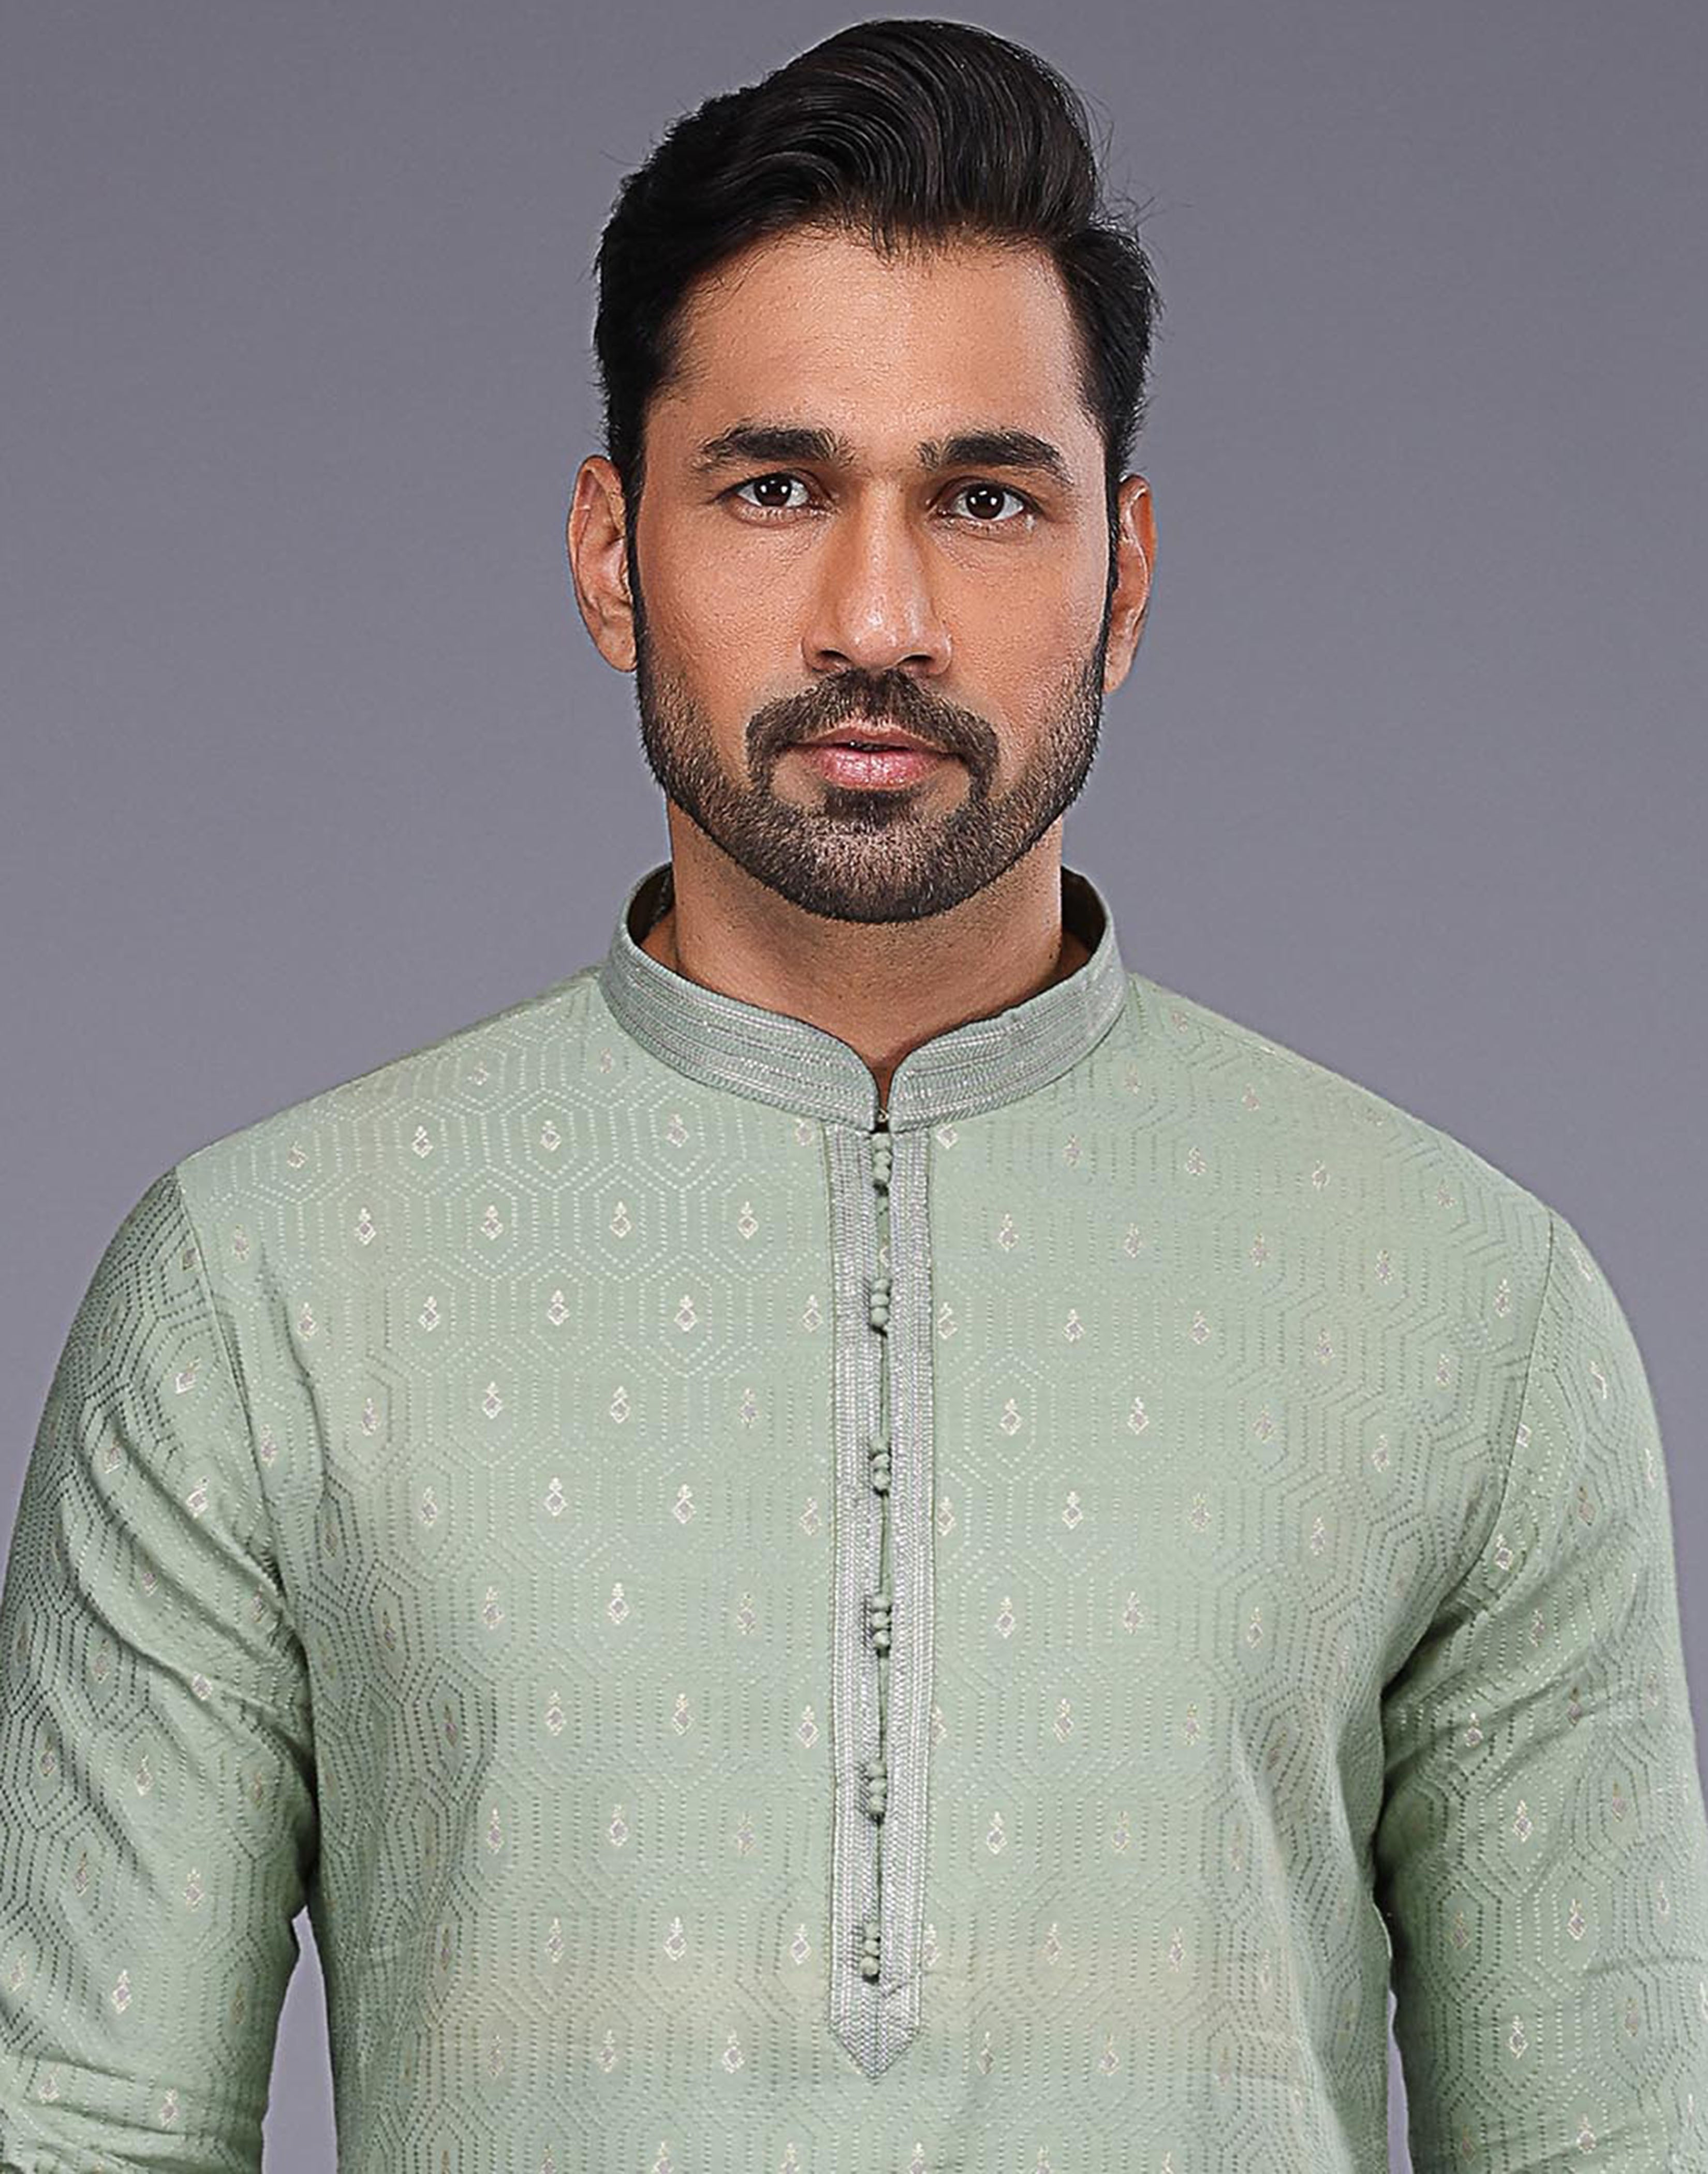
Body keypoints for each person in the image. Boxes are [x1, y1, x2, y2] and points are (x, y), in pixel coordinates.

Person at [2, 16, 1705, 2170]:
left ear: (1125, 573)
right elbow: (77, 2132)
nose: (878, 616)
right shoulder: (261, 1295)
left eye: (984, 499)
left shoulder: (1468, 1308)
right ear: (612, 553)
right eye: (776, 488)